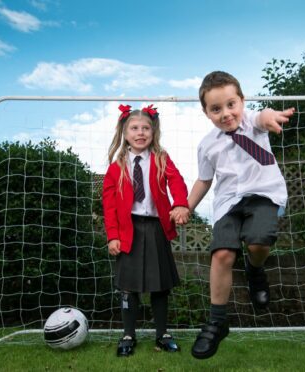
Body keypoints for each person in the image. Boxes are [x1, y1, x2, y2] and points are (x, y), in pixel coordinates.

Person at [175, 71, 295, 359]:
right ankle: (217, 321)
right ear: (206, 112)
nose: (226, 114)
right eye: (216, 109)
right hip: (228, 203)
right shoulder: (207, 145)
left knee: (258, 242)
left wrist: (269, 118)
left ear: (242, 101)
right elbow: (204, 180)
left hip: (264, 194)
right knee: (222, 255)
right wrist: (185, 206)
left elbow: (262, 116)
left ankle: (255, 271)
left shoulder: (253, 122)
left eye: (231, 104)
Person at [102, 104, 190, 357]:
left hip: (155, 229)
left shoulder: (162, 159)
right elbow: (108, 205)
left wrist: (181, 204)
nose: (140, 133)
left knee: (160, 285)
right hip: (128, 231)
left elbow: (177, 181)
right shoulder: (116, 167)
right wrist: (113, 236)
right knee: (127, 287)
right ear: (125, 132)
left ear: (153, 131)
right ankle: (128, 334)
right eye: (134, 128)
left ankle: (162, 334)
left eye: (145, 128)